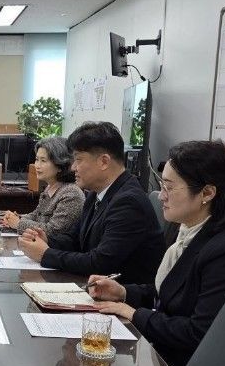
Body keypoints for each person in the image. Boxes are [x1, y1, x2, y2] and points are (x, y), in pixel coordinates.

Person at [88, 140, 225, 366]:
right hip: (163, 354)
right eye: (162, 185)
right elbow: (173, 294)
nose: (161, 196)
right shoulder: (186, 229)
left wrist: (134, 313)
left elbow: (199, 332)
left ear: (207, 193)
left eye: (169, 187)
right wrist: (123, 293)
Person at [18, 121, 165, 284]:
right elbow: (75, 240)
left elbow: (99, 263)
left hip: (120, 293)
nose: (73, 167)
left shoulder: (128, 201)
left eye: (78, 160)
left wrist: (45, 255)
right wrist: (47, 240)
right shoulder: (96, 194)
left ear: (104, 162)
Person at [1, 136, 84, 236]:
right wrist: (15, 218)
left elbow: (53, 231)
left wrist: (18, 224)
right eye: (37, 159)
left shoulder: (71, 194)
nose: (37, 166)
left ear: (60, 165)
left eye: (43, 161)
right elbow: (36, 215)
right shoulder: (50, 187)